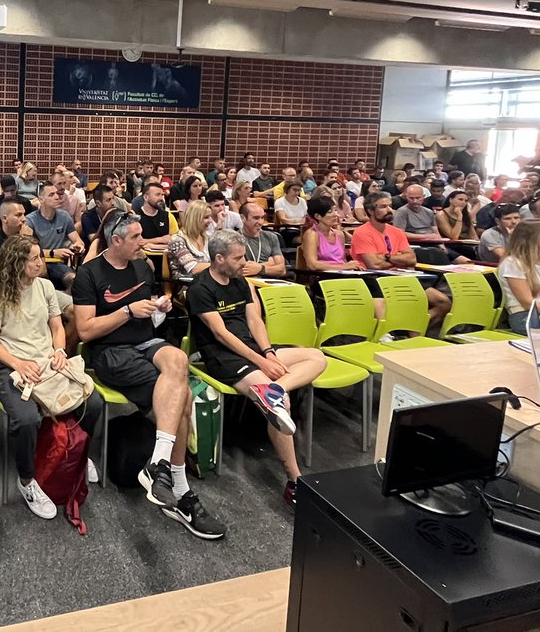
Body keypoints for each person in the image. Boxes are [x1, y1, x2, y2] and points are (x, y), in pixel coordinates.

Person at [73, 210, 225, 539]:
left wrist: (160, 307)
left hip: (146, 341)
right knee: (182, 396)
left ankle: (159, 463)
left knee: (178, 359)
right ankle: (180, 490)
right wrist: (126, 311)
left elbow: (151, 308)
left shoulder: (142, 266)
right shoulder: (89, 273)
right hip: (111, 352)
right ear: (116, 240)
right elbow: (85, 331)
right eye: (136, 237)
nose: (144, 242)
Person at [188, 231, 328, 506]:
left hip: (254, 350)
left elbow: (255, 321)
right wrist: (262, 362)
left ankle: (273, 390)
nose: (245, 262)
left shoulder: (240, 281)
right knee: (282, 406)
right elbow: (220, 334)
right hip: (224, 357)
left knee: (316, 357)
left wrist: (269, 353)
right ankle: (295, 481)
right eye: (238, 258)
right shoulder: (200, 289)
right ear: (219, 259)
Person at [0, 236, 102, 517]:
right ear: (16, 262)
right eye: (33, 258)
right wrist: (18, 363)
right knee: (27, 419)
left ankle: (78, 455)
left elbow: (57, 328)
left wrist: (59, 350)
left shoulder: (45, 286)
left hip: (47, 362)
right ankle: (27, 480)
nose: (40, 263)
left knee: (93, 402)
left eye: (40, 257)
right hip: (10, 367)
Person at [350, 191, 450, 331]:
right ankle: (407, 331)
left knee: (443, 302)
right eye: (383, 207)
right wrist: (399, 259)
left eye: (390, 206)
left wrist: (387, 257)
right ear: (371, 211)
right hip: (376, 279)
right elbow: (374, 264)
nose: (389, 210)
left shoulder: (396, 232)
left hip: (403, 276)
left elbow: (412, 259)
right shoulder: (362, 232)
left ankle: (413, 329)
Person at [26, 185, 85, 290]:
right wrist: (53, 252)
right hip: (38, 263)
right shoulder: (30, 220)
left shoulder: (64, 216)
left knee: (74, 279)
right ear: (41, 199)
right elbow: (28, 251)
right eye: (51, 195)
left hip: (58, 264)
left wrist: (78, 246)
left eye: (57, 193)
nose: (57, 197)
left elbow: (77, 240)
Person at [300, 196, 363, 271]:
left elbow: (342, 260)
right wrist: (344, 267)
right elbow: (312, 264)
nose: (336, 215)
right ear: (317, 216)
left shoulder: (339, 234)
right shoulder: (312, 235)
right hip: (323, 275)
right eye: (330, 212)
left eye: (335, 210)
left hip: (342, 273)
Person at [239, 201, 287, 278]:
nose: (261, 222)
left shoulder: (271, 237)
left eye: (262, 218)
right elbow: (240, 269)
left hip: (268, 281)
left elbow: (282, 270)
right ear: (243, 218)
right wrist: (270, 263)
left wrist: (260, 268)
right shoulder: (235, 238)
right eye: (256, 218)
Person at [167, 202, 211, 278]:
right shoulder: (177, 240)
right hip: (186, 282)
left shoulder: (206, 237)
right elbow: (193, 268)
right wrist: (219, 266)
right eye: (206, 217)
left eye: (210, 217)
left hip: (206, 280)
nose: (210, 221)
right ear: (194, 218)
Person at [0, 199, 31, 265]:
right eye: (18, 215)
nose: (24, 219)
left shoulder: (30, 234)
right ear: (5, 218)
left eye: (24, 214)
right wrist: (24, 241)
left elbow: (42, 266)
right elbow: (12, 268)